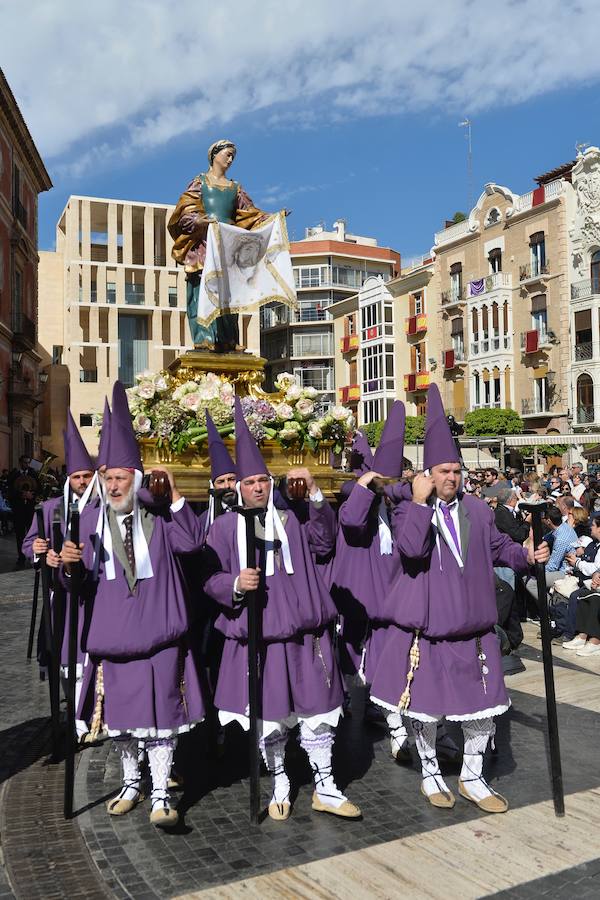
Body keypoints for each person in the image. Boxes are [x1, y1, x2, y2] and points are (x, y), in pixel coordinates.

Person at [369, 385, 548, 815]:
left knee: (481, 709)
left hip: (474, 627)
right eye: (443, 471)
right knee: (426, 711)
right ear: (428, 473)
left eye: (455, 470)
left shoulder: (479, 509)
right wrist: (417, 501)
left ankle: (472, 775)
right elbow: (410, 551)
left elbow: (498, 548)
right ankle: (430, 773)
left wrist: (525, 555)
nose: (451, 477)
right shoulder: (409, 509)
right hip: (429, 630)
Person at [203, 397, 360, 821]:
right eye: (250, 482)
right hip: (259, 638)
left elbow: (325, 543)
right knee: (270, 716)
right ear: (238, 487)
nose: (258, 487)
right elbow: (208, 578)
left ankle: (325, 784)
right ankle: (280, 781)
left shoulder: (292, 520)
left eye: (263, 481)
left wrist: (313, 496)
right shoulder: (222, 529)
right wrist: (235, 583)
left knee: (318, 712)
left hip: (307, 634)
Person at [61, 381, 206, 829]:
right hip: (115, 638)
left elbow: (194, 542)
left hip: (161, 634)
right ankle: (131, 782)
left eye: (120, 477)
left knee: (163, 716)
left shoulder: (161, 517)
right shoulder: (89, 519)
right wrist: (65, 565)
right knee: (123, 721)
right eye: (107, 478)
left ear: (137, 479)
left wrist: (176, 494)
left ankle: (161, 792)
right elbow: (79, 579)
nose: (112, 484)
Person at [22, 411, 99, 740]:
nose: (82, 482)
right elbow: (29, 545)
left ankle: (86, 714)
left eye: (86, 476)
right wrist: (41, 550)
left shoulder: (102, 508)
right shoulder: (51, 508)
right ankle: (72, 706)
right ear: (69, 478)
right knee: (63, 657)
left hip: (90, 596)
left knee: (86, 655)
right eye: (77, 476)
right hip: (59, 596)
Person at [168, 140, 270, 352]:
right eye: (227, 154)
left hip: (227, 244)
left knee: (228, 292)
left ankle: (228, 338)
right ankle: (203, 336)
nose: (230, 159)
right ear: (215, 154)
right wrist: (199, 221)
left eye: (233, 156)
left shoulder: (235, 188)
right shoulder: (200, 183)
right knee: (201, 288)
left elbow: (249, 214)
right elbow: (184, 213)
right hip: (204, 243)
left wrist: (272, 219)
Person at [8, 454, 39, 567]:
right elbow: (10, 493)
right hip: (19, 510)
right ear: (20, 463)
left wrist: (32, 495)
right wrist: (22, 494)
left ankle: (32, 557)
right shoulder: (14, 475)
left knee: (32, 534)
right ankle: (21, 558)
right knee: (20, 535)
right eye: (24, 463)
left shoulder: (33, 474)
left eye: (28, 462)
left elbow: (39, 489)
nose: (26, 465)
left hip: (30, 510)